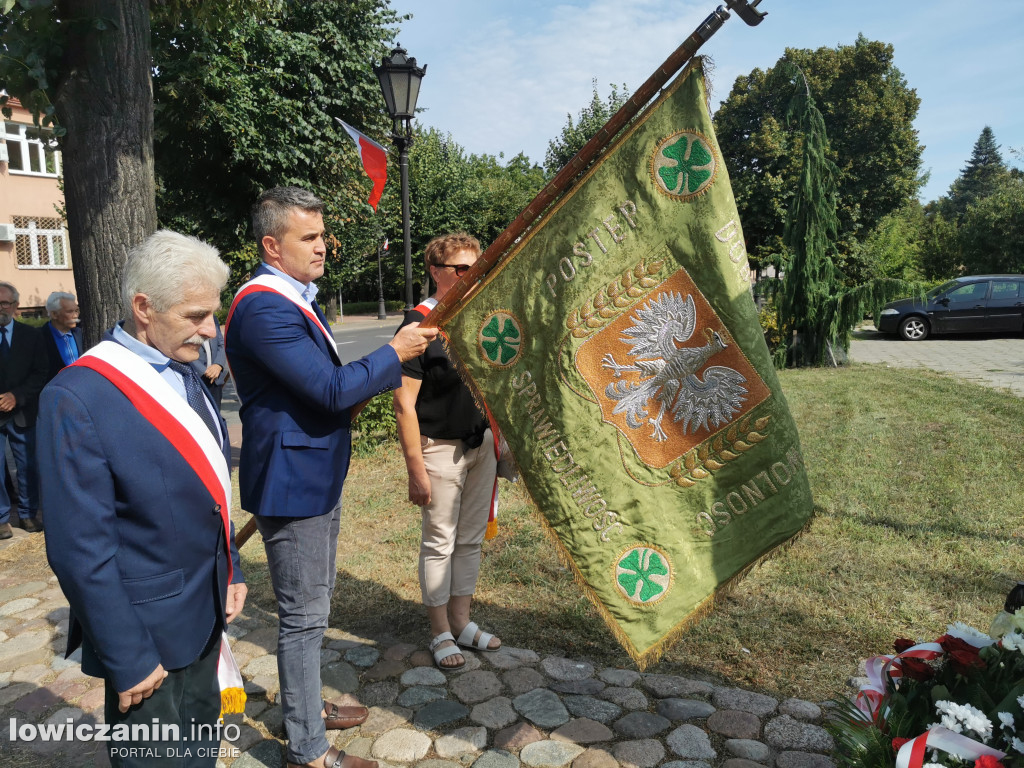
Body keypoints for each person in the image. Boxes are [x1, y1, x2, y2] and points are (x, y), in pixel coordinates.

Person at [225, 186, 436, 768]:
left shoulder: (295, 298)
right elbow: (330, 389)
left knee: (311, 610)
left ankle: (306, 707)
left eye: (323, 236)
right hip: (293, 484)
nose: (323, 248)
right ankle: (308, 750)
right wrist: (394, 351)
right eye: (309, 238)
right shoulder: (265, 305)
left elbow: (328, 390)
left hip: (311, 473)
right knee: (303, 616)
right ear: (272, 245)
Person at [37, 230, 247, 767]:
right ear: (143, 307)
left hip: (204, 610)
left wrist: (233, 569)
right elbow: (79, 549)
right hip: (147, 635)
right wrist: (126, 656)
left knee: (199, 751)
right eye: (196, 315)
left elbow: (210, 488)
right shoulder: (77, 396)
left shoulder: (185, 370)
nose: (210, 331)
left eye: (213, 314)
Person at [393, 233, 501, 670]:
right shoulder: (417, 326)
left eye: (477, 267)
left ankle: (461, 622)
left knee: (471, 539)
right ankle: (439, 630)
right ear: (437, 272)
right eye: (462, 269)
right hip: (439, 450)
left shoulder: (480, 318)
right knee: (440, 541)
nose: (472, 276)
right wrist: (415, 468)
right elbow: (403, 404)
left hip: (482, 446)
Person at [0, 281, 48, 538]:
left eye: (4, 303)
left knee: (28, 465)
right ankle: (1, 518)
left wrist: (16, 396)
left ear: (16, 306)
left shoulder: (31, 336)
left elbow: (41, 373)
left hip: (23, 410)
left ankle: (28, 515)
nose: (0, 308)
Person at [41, 290, 84, 382]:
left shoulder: (81, 334)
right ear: (54, 314)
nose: (75, 316)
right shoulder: (38, 338)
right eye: (70, 312)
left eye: (77, 311)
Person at [190, 315, 228, 409]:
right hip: (196, 378)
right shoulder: (188, 318)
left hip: (215, 379)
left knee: (216, 414)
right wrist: (204, 371)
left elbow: (221, 344)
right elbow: (184, 348)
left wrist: (218, 365)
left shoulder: (213, 318)